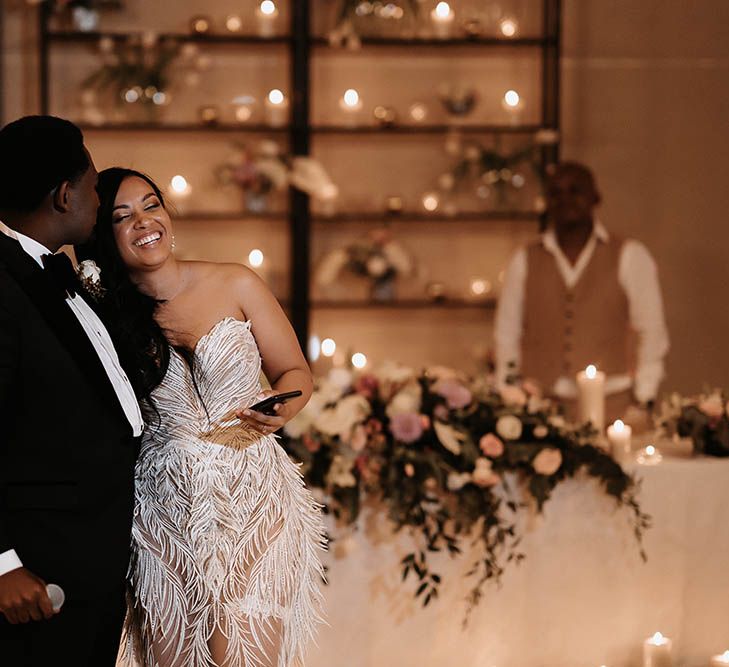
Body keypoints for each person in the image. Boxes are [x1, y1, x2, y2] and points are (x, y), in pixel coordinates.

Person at [76, 168, 325, 667]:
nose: (145, 222)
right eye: (123, 216)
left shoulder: (236, 281)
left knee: (247, 652)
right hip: (160, 502)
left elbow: (295, 370)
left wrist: (281, 409)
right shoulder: (100, 313)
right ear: (104, 234)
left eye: (152, 205)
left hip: (252, 495)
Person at [0, 116, 144, 665]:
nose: (99, 197)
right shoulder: (5, 287)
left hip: (92, 567)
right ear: (64, 196)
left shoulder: (53, 273)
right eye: (92, 184)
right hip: (37, 580)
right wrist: (4, 565)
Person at [494, 161, 669, 424]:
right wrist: (509, 392)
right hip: (541, 407)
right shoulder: (524, 260)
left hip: (614, 405)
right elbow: (506, 333)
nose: (565, 200)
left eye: (575, 191)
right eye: (556, 193)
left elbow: (652, 330)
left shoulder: (629, 255)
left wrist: (644, 396)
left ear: (595, 197)